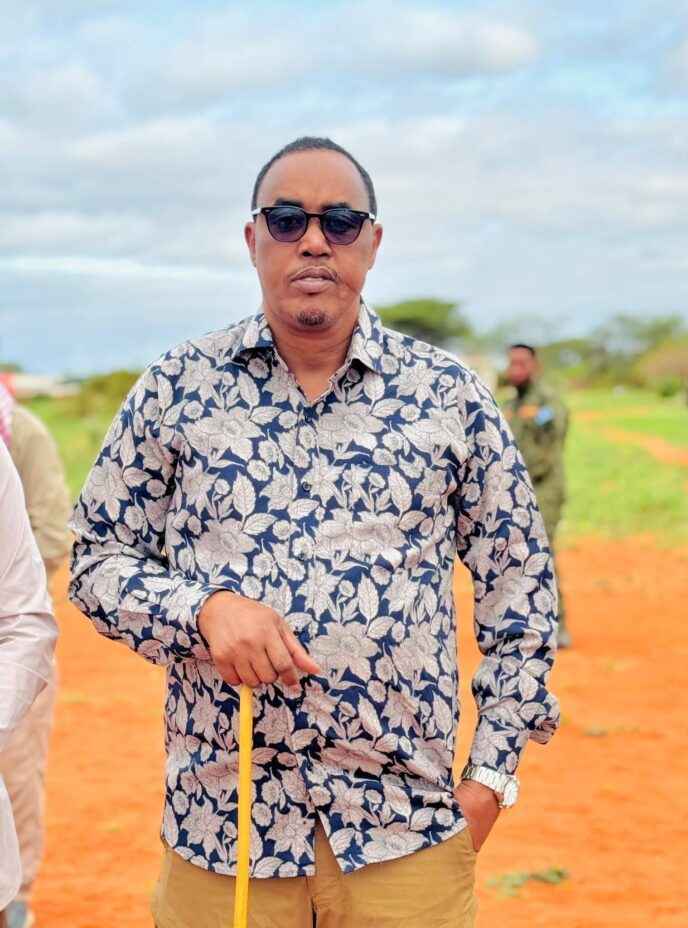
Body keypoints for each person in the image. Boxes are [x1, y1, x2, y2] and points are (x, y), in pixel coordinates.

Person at [69, 137, 560, 928]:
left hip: (405, 835)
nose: (313, 241)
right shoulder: (177, 388)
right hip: (224, 832)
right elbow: (97, 559)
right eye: (287, 219)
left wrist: (490, 780)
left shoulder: (449, 397)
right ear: (252, 238)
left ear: (372, 241)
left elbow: (522, 588)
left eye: (339, 222)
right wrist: (202, 611)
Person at [0, 384, 72, 928]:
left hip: (9, 649)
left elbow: (50, 535)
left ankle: (18, 901)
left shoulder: (21, 433)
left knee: (17, 778)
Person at [502, 344, 571, 648]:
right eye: (512, 363)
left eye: (522, 363)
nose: (516, 369)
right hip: (515, 490)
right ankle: (525, 624)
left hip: (545, 488)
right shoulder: (509, 404)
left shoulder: (548, 402)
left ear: (535, 366)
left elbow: (553, 443)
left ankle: (558, 625)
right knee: (514, 556)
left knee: (542, 552)